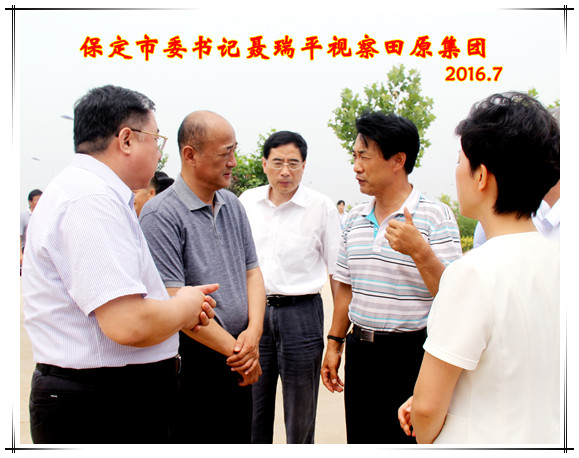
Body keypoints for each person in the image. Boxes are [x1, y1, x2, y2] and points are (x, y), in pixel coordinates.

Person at [21, 85, 218, 444]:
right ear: (127, 139)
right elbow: (128, 323)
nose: (159, 153)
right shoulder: (91, 199)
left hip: (106, 394)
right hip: (103, 402)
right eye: (156, 140)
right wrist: (186, 305)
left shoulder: (90, 192)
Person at [398, 92, 560, 444]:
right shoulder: (559, 259)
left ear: (482, 176)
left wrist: (424, 424)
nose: (457, 172)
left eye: (460, 160)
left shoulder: (473, 273)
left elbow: (426, 409)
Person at [321, 111, 462, 444]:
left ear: (398, 160)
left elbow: (454, 295)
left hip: (413, 355)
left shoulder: (435, 215)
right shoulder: (354, 218)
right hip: (362, 353)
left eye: (364, 156)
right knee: (362, 440)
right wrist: (334, 343)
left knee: (410, 442)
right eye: (354, 156)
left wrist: (420, 251)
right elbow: (346, 289)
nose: (356, 166)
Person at [139, 110, 266, 444]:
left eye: (234, 150)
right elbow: (174, 301)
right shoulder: (161, 215)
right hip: (196, 360)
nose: (234, 162)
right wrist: (240, 353)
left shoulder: (232, 205)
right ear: (190, 155)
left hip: (240, 352)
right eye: (225, 153)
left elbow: (252, 271)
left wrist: (253, 333)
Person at [239, 131, 341, 444]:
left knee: (301, 411)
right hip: (254, 317)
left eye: (293, 163)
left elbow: (337, 273)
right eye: (278, 162)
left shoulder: (321, 207)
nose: (286, 171)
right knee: (253, 407)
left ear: (304, 165)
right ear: (264, 164)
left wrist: (336, 337)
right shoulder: (246, 203)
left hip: (302, 315)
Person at [20, 189, 42, 267]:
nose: (39, 202)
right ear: (30, 201)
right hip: (26, 250)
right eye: (37, 200)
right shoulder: (23, 216)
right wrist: (20, 255)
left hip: (38, 250)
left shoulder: (43, 216)